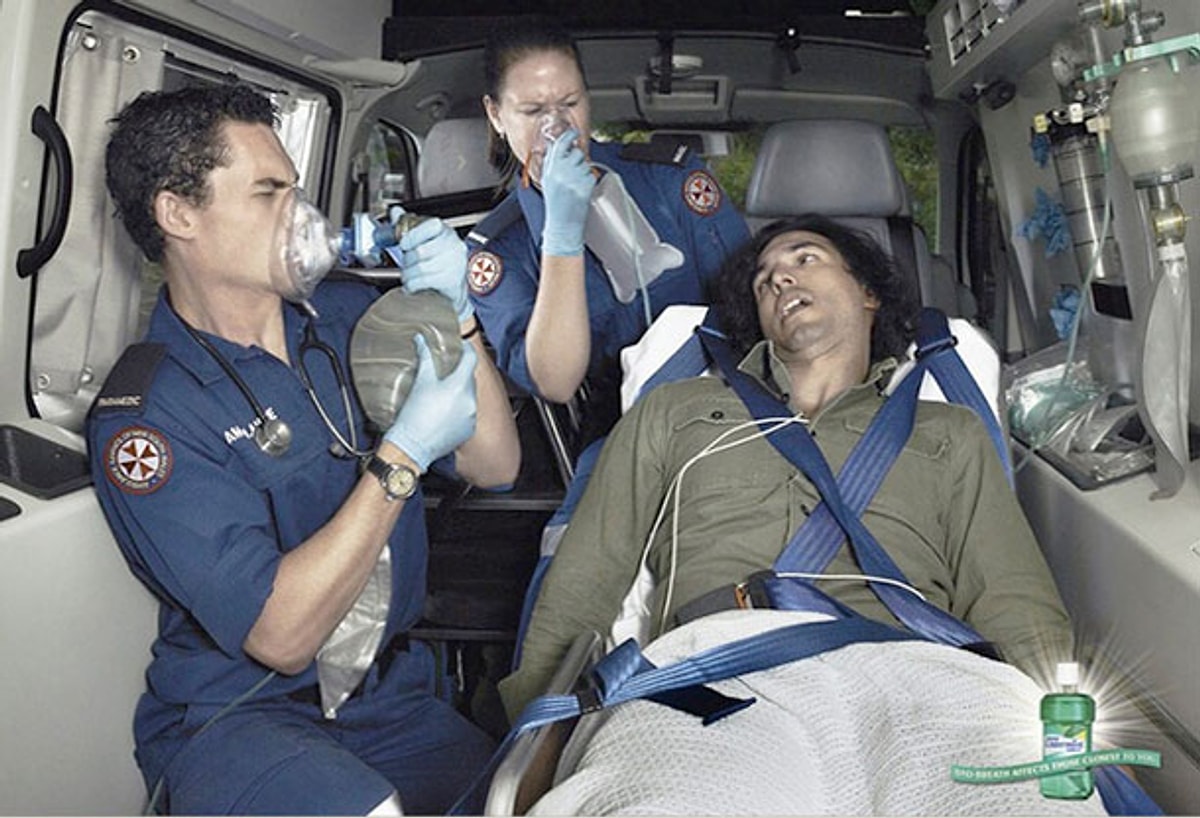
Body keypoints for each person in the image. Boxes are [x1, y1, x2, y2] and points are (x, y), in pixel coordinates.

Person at [87, 84, 520, 816]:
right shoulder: (149, 415)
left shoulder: (348, 319)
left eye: (295, 188)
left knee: (530, 798)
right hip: (241, 715)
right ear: (178, 214)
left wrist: (458, 315)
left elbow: (494, 464)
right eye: (269, 193)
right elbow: (282, 636)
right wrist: (403, 455)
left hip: (387, 698)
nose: (300, 213)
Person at [500, 214, 1074, 719]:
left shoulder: (949, 433)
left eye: (806, 259)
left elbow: (1014, 599)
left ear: (867, 293)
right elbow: (587, 576)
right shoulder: (677, 411)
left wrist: (1061, 741)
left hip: (912, 679)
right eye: (763, 281)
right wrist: (536, 726)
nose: (779, 279)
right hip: (711, 679)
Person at [468, 17, 750, 441]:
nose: (556, 128)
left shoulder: (667, 177)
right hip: (619, 428)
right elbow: (556, 383)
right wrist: (562, 233)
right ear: (496, 115)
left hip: (725, 395)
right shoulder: (500, 249)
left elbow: (747, 298)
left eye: (570, 103)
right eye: (532, 111)